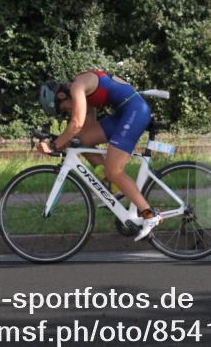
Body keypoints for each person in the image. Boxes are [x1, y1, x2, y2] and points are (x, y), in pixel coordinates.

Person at [37, 70, 161, 241]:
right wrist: (58, 142)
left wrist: (54, 145)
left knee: (114, 170)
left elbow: (76, 123)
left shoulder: (77, 87)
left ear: (61, 95)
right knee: (81, 142)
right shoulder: (82, 93)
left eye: (63, 108)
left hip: (134, 112)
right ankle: (113, 189)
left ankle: (149, 215)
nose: (66, 111)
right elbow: (81, 132)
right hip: (123, 113)